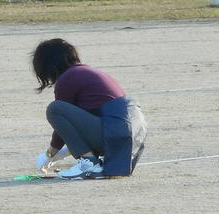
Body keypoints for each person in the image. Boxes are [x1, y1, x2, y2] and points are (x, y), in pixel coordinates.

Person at [32, 38, 146, 180]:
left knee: (55, 109)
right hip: (132, 137)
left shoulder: (67, 78)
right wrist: (63, 152)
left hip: (116, 131)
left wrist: (49, 154)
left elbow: (62, 124)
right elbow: (78, 128)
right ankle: (93, 162)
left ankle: (89, 163)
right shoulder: (87, 72)